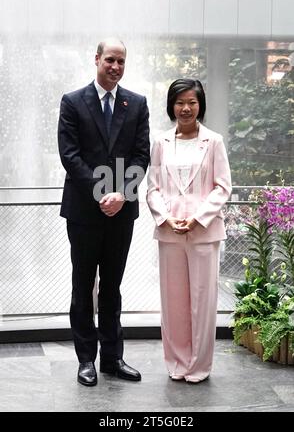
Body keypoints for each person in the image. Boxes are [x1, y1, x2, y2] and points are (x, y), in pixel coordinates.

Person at [58, 38, 150, 386]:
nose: (115, 66)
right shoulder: (73, 102)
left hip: (121, 212)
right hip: (84, 211)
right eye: (110, 59)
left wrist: (121, 195)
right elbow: (70, 155)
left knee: (113, 288)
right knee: (83, 287)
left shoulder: (137, 103)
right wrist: (102, 193)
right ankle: (86, 361)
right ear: (97, 59)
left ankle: (113, 358)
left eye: (121, 61)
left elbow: (142, 155)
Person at [146, 78, 231, 383]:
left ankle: (199, 366)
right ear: (171, 105)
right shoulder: (161, 143)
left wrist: (198, 217)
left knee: (203, 300)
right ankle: (177, 363)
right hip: (169, 233)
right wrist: (164, 218)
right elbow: (152, 188)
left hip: (204, 232)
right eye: (180, 102)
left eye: (192, 102)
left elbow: (223, 187)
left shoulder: (214, 141)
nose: (185, 108)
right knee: (174, 302)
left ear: (200, 106)